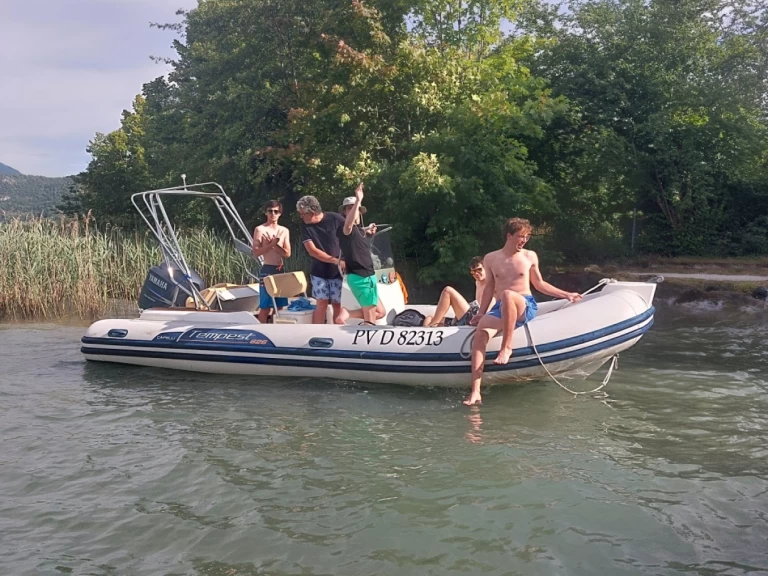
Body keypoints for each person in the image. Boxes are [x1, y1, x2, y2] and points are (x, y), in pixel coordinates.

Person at [464, 217, 582, 406]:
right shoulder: (491, 258)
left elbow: (539, 283)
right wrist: (481, 312)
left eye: (527, 237)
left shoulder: (529, 256)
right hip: (501, 307)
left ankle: (506, 347)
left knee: (509, 295)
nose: (524, 240)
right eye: (520, 236)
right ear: (509, 235)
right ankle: (475, 392)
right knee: (480, 335)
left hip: (524, 303)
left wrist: (566, 294)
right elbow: (489, 287)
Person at [335, 184, 386, 324]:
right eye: (349, 208)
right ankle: (369, 342)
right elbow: (348, 226)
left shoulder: (358, 230)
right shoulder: (344, 229)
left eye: (355, 208)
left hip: (368, 276)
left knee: (380, 312)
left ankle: (347, 313)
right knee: (370, 321)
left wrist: (368, 231)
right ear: (345, 212)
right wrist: (358, 200)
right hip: (360, 277)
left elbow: (358, 232)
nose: (354, 210)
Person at [297, 195, 346, 324]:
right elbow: (312, 251)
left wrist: (367, 232)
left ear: (312, 213)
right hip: (319, 271)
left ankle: (337, 333)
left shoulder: (336, 219)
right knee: (321, 304)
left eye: (302, 214)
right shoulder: (305, 225)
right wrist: (336, 261)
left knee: (338, 303)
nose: (301, 217)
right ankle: (317, 333)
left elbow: (352, 234)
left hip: (338, 272)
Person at [424, 256, 494, 327]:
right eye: (473, 272)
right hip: (471, 314)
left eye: (479, 270)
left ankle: (433, 326)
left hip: (478, 317)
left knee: (447, 291)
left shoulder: (493, 284)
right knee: (429, 318)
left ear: (486, 268)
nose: (476, 274)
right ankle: (430, 329)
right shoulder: (477, 282)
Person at [252, 200, 291, 324]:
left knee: (279, 307)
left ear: (280, 214)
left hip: (280, 270)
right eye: (270, 211)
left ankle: (275, 328)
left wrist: (275, 246)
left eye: (276, 211)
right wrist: (270, 245)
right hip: (267, 269)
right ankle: (262, 330)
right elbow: (256, 252)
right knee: (265, 307)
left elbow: (287, 254)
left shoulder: (284, 231)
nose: (273, 214)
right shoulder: (260, 230)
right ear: (266, 212)